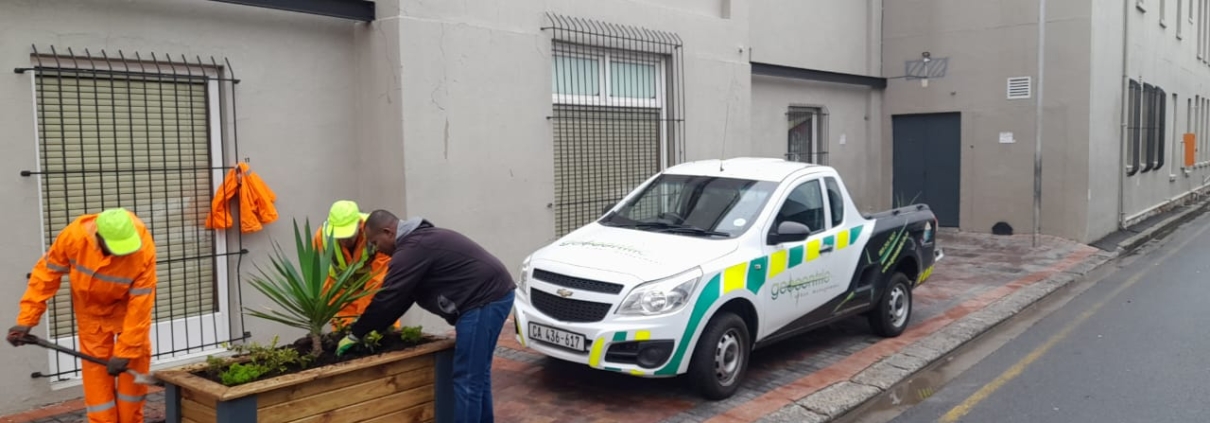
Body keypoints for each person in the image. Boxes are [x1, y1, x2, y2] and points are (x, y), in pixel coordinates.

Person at [336, 210, 515, 423]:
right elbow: (399, 300)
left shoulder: (412, 249)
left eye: (375, 242)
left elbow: (388, 297)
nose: (376, 250)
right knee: (476, 376)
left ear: (388, 232)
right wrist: (371, 331)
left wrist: (357, 333)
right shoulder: (417, 244)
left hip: (483, 300)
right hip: (492, 295)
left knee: (467, 379)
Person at [7, 208, 157, 423]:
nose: (122, 255)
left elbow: (141, 305)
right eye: (117, 249)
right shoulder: (74, 237)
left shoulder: (142, 248)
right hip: (91, 313)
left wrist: (127, 350)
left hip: (129, 315)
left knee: (131, 379)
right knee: (97, 381)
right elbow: (45, 276)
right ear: (98, 238)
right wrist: (26, 320)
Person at [313, 200, 396, 331]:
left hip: (374, 291)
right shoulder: (322, 237)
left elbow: (379, 279)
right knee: (343, 333)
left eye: (348, 234)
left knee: (383, 329)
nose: (344, 240)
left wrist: (363, 320)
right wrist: (324, 307)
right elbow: (321, 274)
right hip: (342, 294)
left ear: (359, 224)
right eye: (339, 236)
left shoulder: (376, 232)